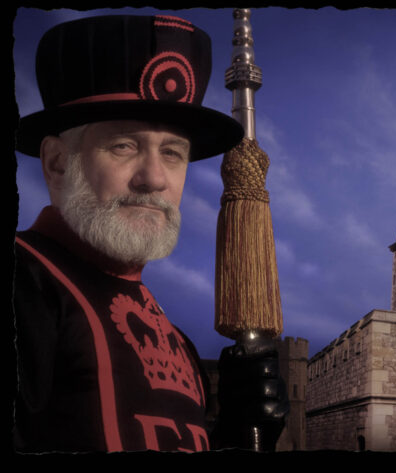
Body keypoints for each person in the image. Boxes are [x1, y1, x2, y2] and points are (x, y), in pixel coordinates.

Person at [14, 14, 284, 452]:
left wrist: (233, 435)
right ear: (57, 162)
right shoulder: (23, 287)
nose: (155, 179)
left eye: (173, 153)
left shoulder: (175, 339)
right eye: (124, 146)